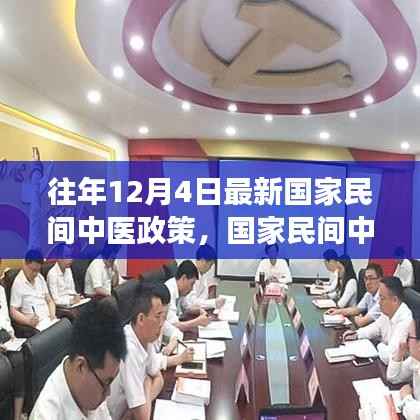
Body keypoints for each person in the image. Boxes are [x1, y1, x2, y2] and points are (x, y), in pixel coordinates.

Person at [30, 299, 127, 419]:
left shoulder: (92, 381)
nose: (108, 393)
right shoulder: (46, 415)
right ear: (80, 366)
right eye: (106, 383)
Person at [107, 283, 165, 420]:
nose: (162, 323)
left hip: (128, 414)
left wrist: (142, 402)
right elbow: (143, 417)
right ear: (141, 319)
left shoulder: (145, 337)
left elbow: (159, 379)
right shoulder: (128, 350)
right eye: (158, 316)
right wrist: (147, 382)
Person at [343, 276, 412, 365]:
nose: (379, 303)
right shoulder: (388, 312)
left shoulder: (405, 320)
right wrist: (356, 334)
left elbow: (389, 357)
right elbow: (375, 327)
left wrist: (378, 345)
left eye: (382, 298)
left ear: (394, 300)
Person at [140, 279, 194, 371]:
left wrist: (172, 344)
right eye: (158, 316)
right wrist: (178, 359)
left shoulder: (159, 320)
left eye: (165, 316)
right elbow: (149, 364)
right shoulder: (134, 341)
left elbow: (177, 333)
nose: (161, 323)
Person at [0, 266, 25, 420]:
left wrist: (11, 334)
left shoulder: (1, 289)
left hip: (4, 334)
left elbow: (5, 318)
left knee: (19, 360)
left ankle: (17, 416)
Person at [10, 249, 57, 331]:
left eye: (38, 270)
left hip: (49, 319)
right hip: (37, 325)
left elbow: (49, 300)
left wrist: (52, 315)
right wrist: (28, 321)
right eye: (33, 270)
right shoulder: (18, 283)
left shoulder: (40, 277)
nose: (35, 274)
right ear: (25, 264)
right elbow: (13, 311)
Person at [326, 263, 383, 327]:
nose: (367, 282)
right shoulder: (369, 294)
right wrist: (337, 311)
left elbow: (361, 322)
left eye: (371, 278)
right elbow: (356, 309)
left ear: (380, 279)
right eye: (366, 278)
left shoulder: (383, 299)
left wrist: (356, 317)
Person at [387, 318, 420, 419]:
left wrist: (406, 398)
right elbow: (393, 377)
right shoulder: (416, 359)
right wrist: (400, 352)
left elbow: (416, 416)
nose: (404, 340)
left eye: (408, 336)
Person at [165, 260, 210, 332]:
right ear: (184, 278)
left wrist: (199, 311)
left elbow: (187, 307)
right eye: (192, 284)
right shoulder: (169, 291)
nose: (192, 289)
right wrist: (197, 322)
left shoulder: (180, 290)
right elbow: (174, 326)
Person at [180, 244, 225, 312]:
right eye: (210, 265)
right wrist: (213, 303)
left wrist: (212, 303)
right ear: (203, 261)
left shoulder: (202, 276)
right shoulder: (190, 274)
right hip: (187, 313)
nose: (210, 268)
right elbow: (190, 302)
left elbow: (204, 298)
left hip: (197, 311)